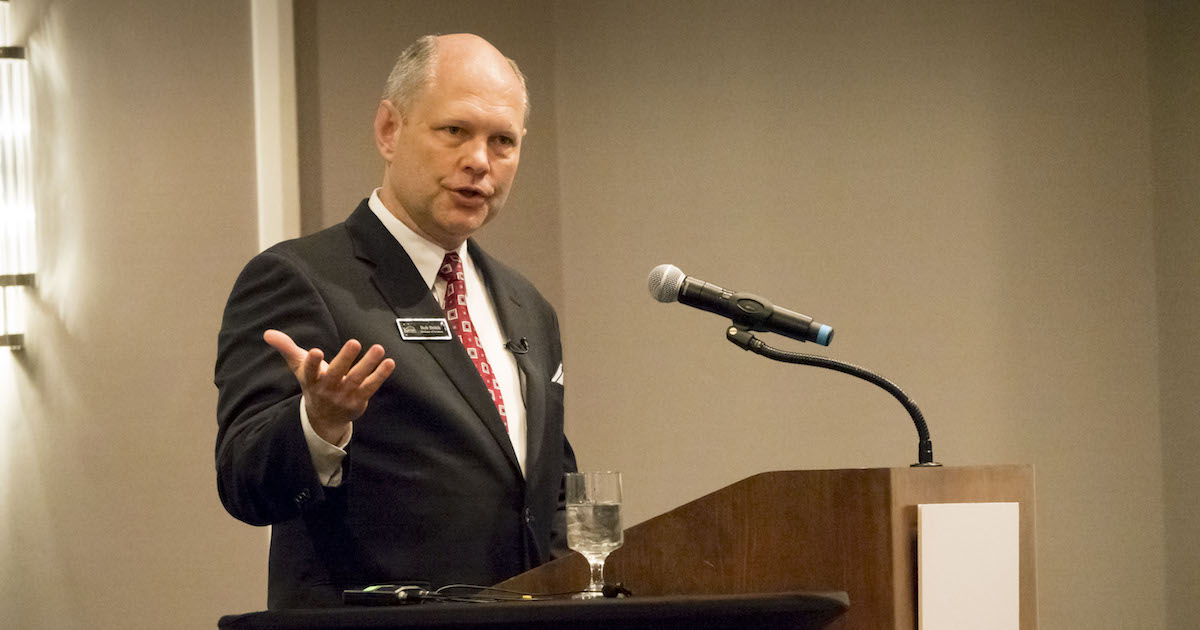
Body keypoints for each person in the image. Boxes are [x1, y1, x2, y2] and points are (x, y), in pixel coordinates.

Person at [214, 33, 576, 609]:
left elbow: (545, 487)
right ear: (390, 130)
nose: (479, 161)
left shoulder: (527, 304)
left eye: (502, 141)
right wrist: (318, 424)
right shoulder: (299, 278)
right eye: (455, 130)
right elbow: (243, 481)